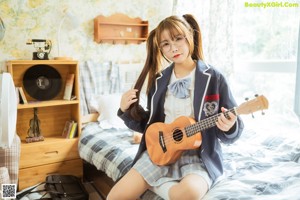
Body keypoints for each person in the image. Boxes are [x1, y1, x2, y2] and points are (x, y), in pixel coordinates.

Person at [107, 14, 244, 200]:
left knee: (188, 194)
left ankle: (157, 184)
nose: (173, 48)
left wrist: (230, 126)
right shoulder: (158, 81)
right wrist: (125, 110)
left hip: (199, 156)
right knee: (116, 197)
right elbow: (150, 126)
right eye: (165, 44)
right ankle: (156, 180)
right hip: (161, 152)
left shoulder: (214, 77)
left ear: (190, 36)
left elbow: (230, 129)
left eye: (178, 39)